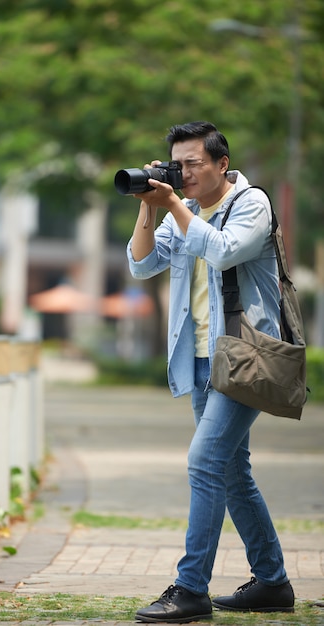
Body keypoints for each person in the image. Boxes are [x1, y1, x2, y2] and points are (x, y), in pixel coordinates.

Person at [126, 121, 295, 623]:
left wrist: (175, 206)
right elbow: (140, 265)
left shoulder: (250, 204)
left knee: (204, 462)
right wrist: (148, 204)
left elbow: (222, 251)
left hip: (244, 355)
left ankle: (191, 588)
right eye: (178, 166)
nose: (185, 173)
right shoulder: (183, 210)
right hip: (199, 357)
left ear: (222, 163)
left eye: (194, 164)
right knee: (231, 471)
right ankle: (272, 582)